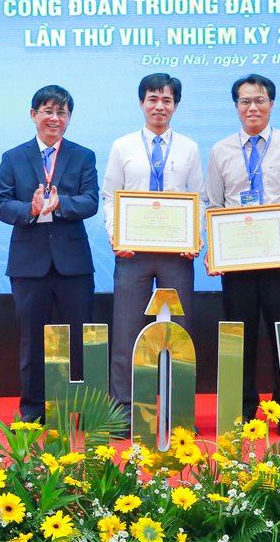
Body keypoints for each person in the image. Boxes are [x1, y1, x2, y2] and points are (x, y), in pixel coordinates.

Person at [205, 73, 280, 434]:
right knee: (240, 334)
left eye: (259, 100)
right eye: (245, 101)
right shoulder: (220, 150)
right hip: (237, 261)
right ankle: (242, 408)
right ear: (236, 106)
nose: (252, 107)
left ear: (271, 104)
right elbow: (214, 206)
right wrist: (214, 248)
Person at [0, 85, 99, 422]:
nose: (55, 118)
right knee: (32, 342)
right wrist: (31, 208)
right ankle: (33, 412)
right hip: (29, 265)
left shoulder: (83, 156)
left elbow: (91, 200)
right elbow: (0, 202)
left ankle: (84, 410)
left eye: (61, 112)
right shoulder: (13, 157)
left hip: (73, 265)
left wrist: (60, 203)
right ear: (33, 115)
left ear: (69, 118)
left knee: (81, 339)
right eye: (48, 111)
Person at [101, 74, 203, 427]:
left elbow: (199, 198)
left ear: (175, 105)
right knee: (127, 331)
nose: (160, 106)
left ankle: (178, 414)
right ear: (142, 103)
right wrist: (116, 235)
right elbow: (109, 197)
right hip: (133, 254)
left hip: (177, 255)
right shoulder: (123, 146)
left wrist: (196, 236)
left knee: (178, 331)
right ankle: (125, 413)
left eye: (167, 100)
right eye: (153, 99)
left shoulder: (189, 148)